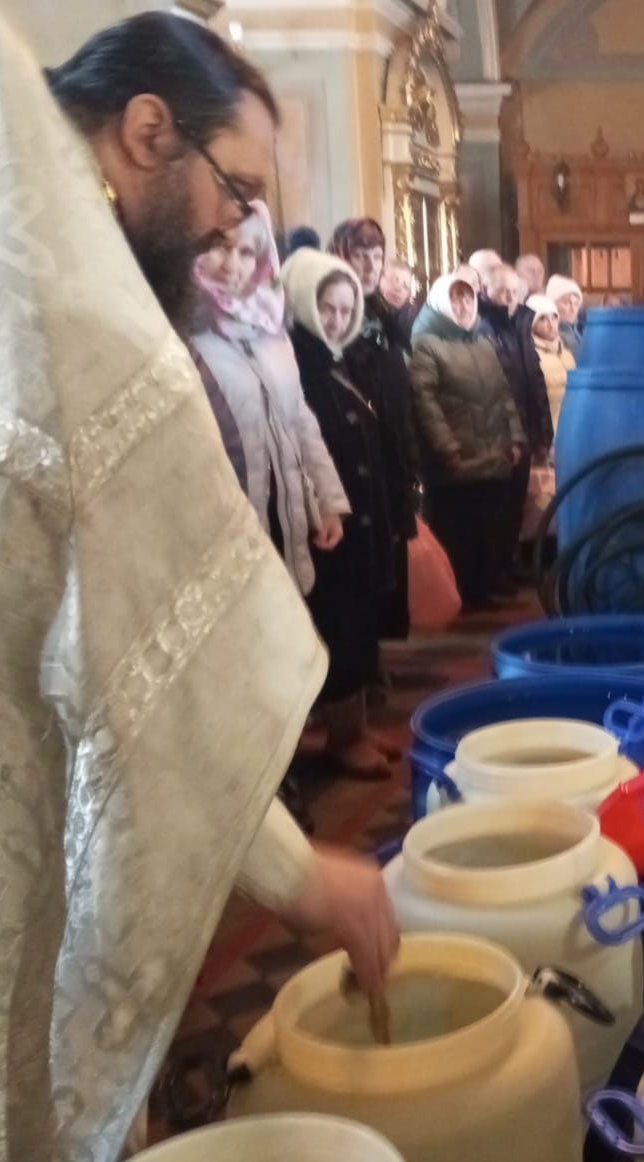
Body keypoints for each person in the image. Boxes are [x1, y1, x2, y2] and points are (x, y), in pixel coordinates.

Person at [0, 9, 397, 1162]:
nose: (237, 230)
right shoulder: (78, 317)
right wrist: (302, 875)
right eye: (236, 192)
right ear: (146, 131)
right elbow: (158, 667)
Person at [191, 204, 350, 597]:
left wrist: (328, 500)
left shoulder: (270, 329)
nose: (234, 265)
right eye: (218, 245)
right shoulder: (181, 332)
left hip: (286, 516)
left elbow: (299, 418)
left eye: (247, 251)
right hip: (222, 526)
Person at [282, 250, 396, 779]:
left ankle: (356, 728)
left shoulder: (337, 358)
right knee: (338, 626)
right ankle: (342, 737)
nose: (335, 319)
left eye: (346, 310)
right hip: (327, 523)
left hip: (355, 516)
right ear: (302, 301)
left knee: (358, 624)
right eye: (326, 308)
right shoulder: (296, 362)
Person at [411, 269, 526, 609]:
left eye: (468, 298)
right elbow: (425, 401)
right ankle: (456, 593)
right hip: (457, 456)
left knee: (486, 527)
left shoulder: (482, 343)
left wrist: (515, 438)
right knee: (456, 529)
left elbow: (504, 394)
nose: (463, 306)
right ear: (441, 303)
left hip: (491, 451)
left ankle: (480, 588)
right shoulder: (427, 344)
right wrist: (446, 447)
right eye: (455, 299)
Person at [330, 217, 419, 644]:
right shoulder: (335, 313)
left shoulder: (383, 312)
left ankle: (381, 650)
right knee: (364, 561)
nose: (369, 265)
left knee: (392, 549)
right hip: (358, 451)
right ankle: (365, 655)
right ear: (341, 256)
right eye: (360, 255)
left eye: (377, 256)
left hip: (391, 446)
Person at [480, 262, 553, 593]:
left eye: (513, 292)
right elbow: (496, 385)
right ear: (488, 293)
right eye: (502, 292)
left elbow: (534, 381)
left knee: (515, 505)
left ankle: (509, 565)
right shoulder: (485, 327)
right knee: (497, 506)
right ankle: (494, 572)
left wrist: (542, 432)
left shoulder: (522, 326)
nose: (508, 298)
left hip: (526, 427)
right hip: (501, 432)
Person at [529, 293, 575, 435]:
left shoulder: (566, 354)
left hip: (571, 428)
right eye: (542, 319)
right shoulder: (531, 356)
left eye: (554, 317)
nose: (551, 324)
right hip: (547, 433)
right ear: (532, 324)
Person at [547, 273, 585, 355]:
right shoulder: (553, 338)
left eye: (576, 304)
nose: (573, 309)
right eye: (567, 303)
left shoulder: (580, 332)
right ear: (553, 305)